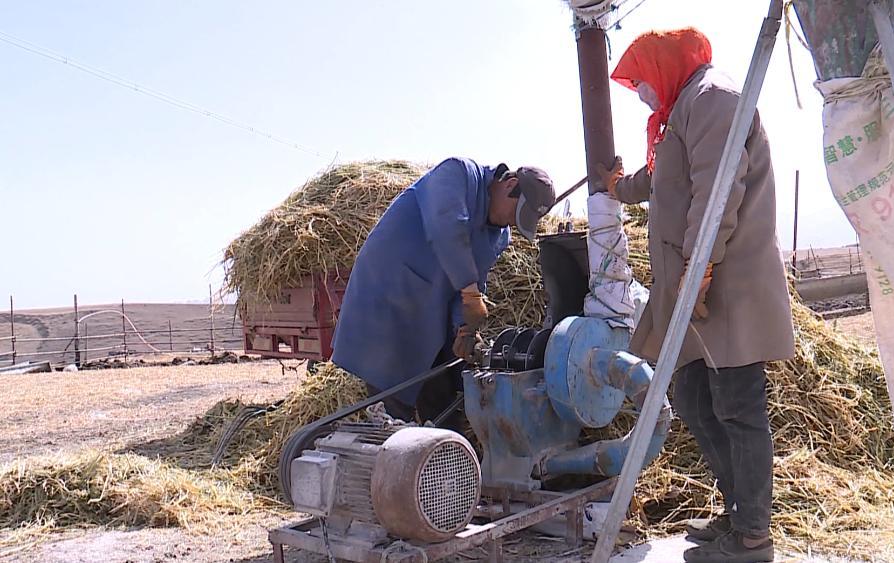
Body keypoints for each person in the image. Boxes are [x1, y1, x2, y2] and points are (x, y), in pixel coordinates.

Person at [599, 29, 794, 563]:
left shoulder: (713, 98)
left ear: (664, 65)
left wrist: (700, 265)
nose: (640, 89)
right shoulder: (682, 109)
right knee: (691, 398)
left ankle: (753, 536)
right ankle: (737, 514)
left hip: (725, 281)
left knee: (737, 406)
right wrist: (618, 188)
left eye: (640, 78)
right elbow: (665, 178)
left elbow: (717, 185)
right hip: (691, 285)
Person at [331, 157, 555, 425]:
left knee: (444, 402)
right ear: (510, 184)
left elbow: (470, 289)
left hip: (428, 317)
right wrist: (471, 293)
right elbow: (446, 228)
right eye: (515, 213)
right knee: (393, 408)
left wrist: (465, 330)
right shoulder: (457, 175)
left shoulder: (498, 235)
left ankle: (449, 460)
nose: (511, 222)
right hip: (391, 300)